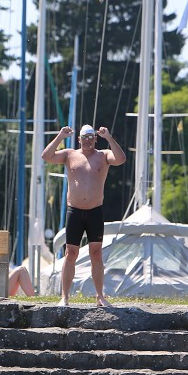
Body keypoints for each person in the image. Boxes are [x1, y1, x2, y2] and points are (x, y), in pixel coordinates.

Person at [41, 123, 126, 307]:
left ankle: (100, 296)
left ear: (95, 139)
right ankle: (64, 297)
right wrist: (60, 137)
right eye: (84, 138)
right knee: (70, 253)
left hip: (95, 212)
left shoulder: (103, 155)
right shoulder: (69, 154)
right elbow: (46, 156)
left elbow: (120, 159)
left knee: (96, 254)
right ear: (79, 139)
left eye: (90, 137)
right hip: (75, 212)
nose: (87, 141)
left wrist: (109, 138)